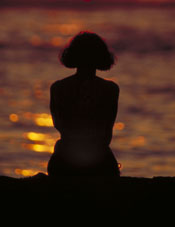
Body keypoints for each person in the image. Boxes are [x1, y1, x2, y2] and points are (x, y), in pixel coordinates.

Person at [47, 31, 120, 178]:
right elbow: (106, 133)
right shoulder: (110, 89)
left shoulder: (58, 88)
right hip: (100, 161)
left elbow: (59, 125)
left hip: (63, 161)